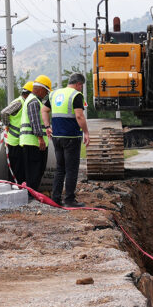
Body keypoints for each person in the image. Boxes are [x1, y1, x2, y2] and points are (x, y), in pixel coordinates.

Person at [49, 73, 90, 207]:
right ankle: (69, 200)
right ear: (78, 84)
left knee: (60, 168)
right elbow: (79, 116)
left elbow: (44, 110)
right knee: (71, 169)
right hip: (71, 137)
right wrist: (86, 132)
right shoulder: (76, 95)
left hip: (57, 137)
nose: (81, 88)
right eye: (81, 86)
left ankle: (55, 198)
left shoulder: (54, 94)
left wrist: (46, 126)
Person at [19, 75, 52, 194]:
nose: (46, 94)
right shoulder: (33, 101)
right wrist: (40, 139)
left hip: (32, 142)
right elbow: (34, 121)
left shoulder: (34, 100)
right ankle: (31, 195)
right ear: (40, 89)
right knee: (34, 171)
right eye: (46, 91)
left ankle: (32, 194)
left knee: (36, 170)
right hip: (33, 142)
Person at [0, 81, 33, 184]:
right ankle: (14, 187)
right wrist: (7, 125)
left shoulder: (25, 103)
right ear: (28, 94)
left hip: (20, 141)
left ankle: (19, 186)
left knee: (20, 168)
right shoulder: (19, 102)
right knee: (16, 168)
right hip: (14, 141)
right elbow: (4, 112)